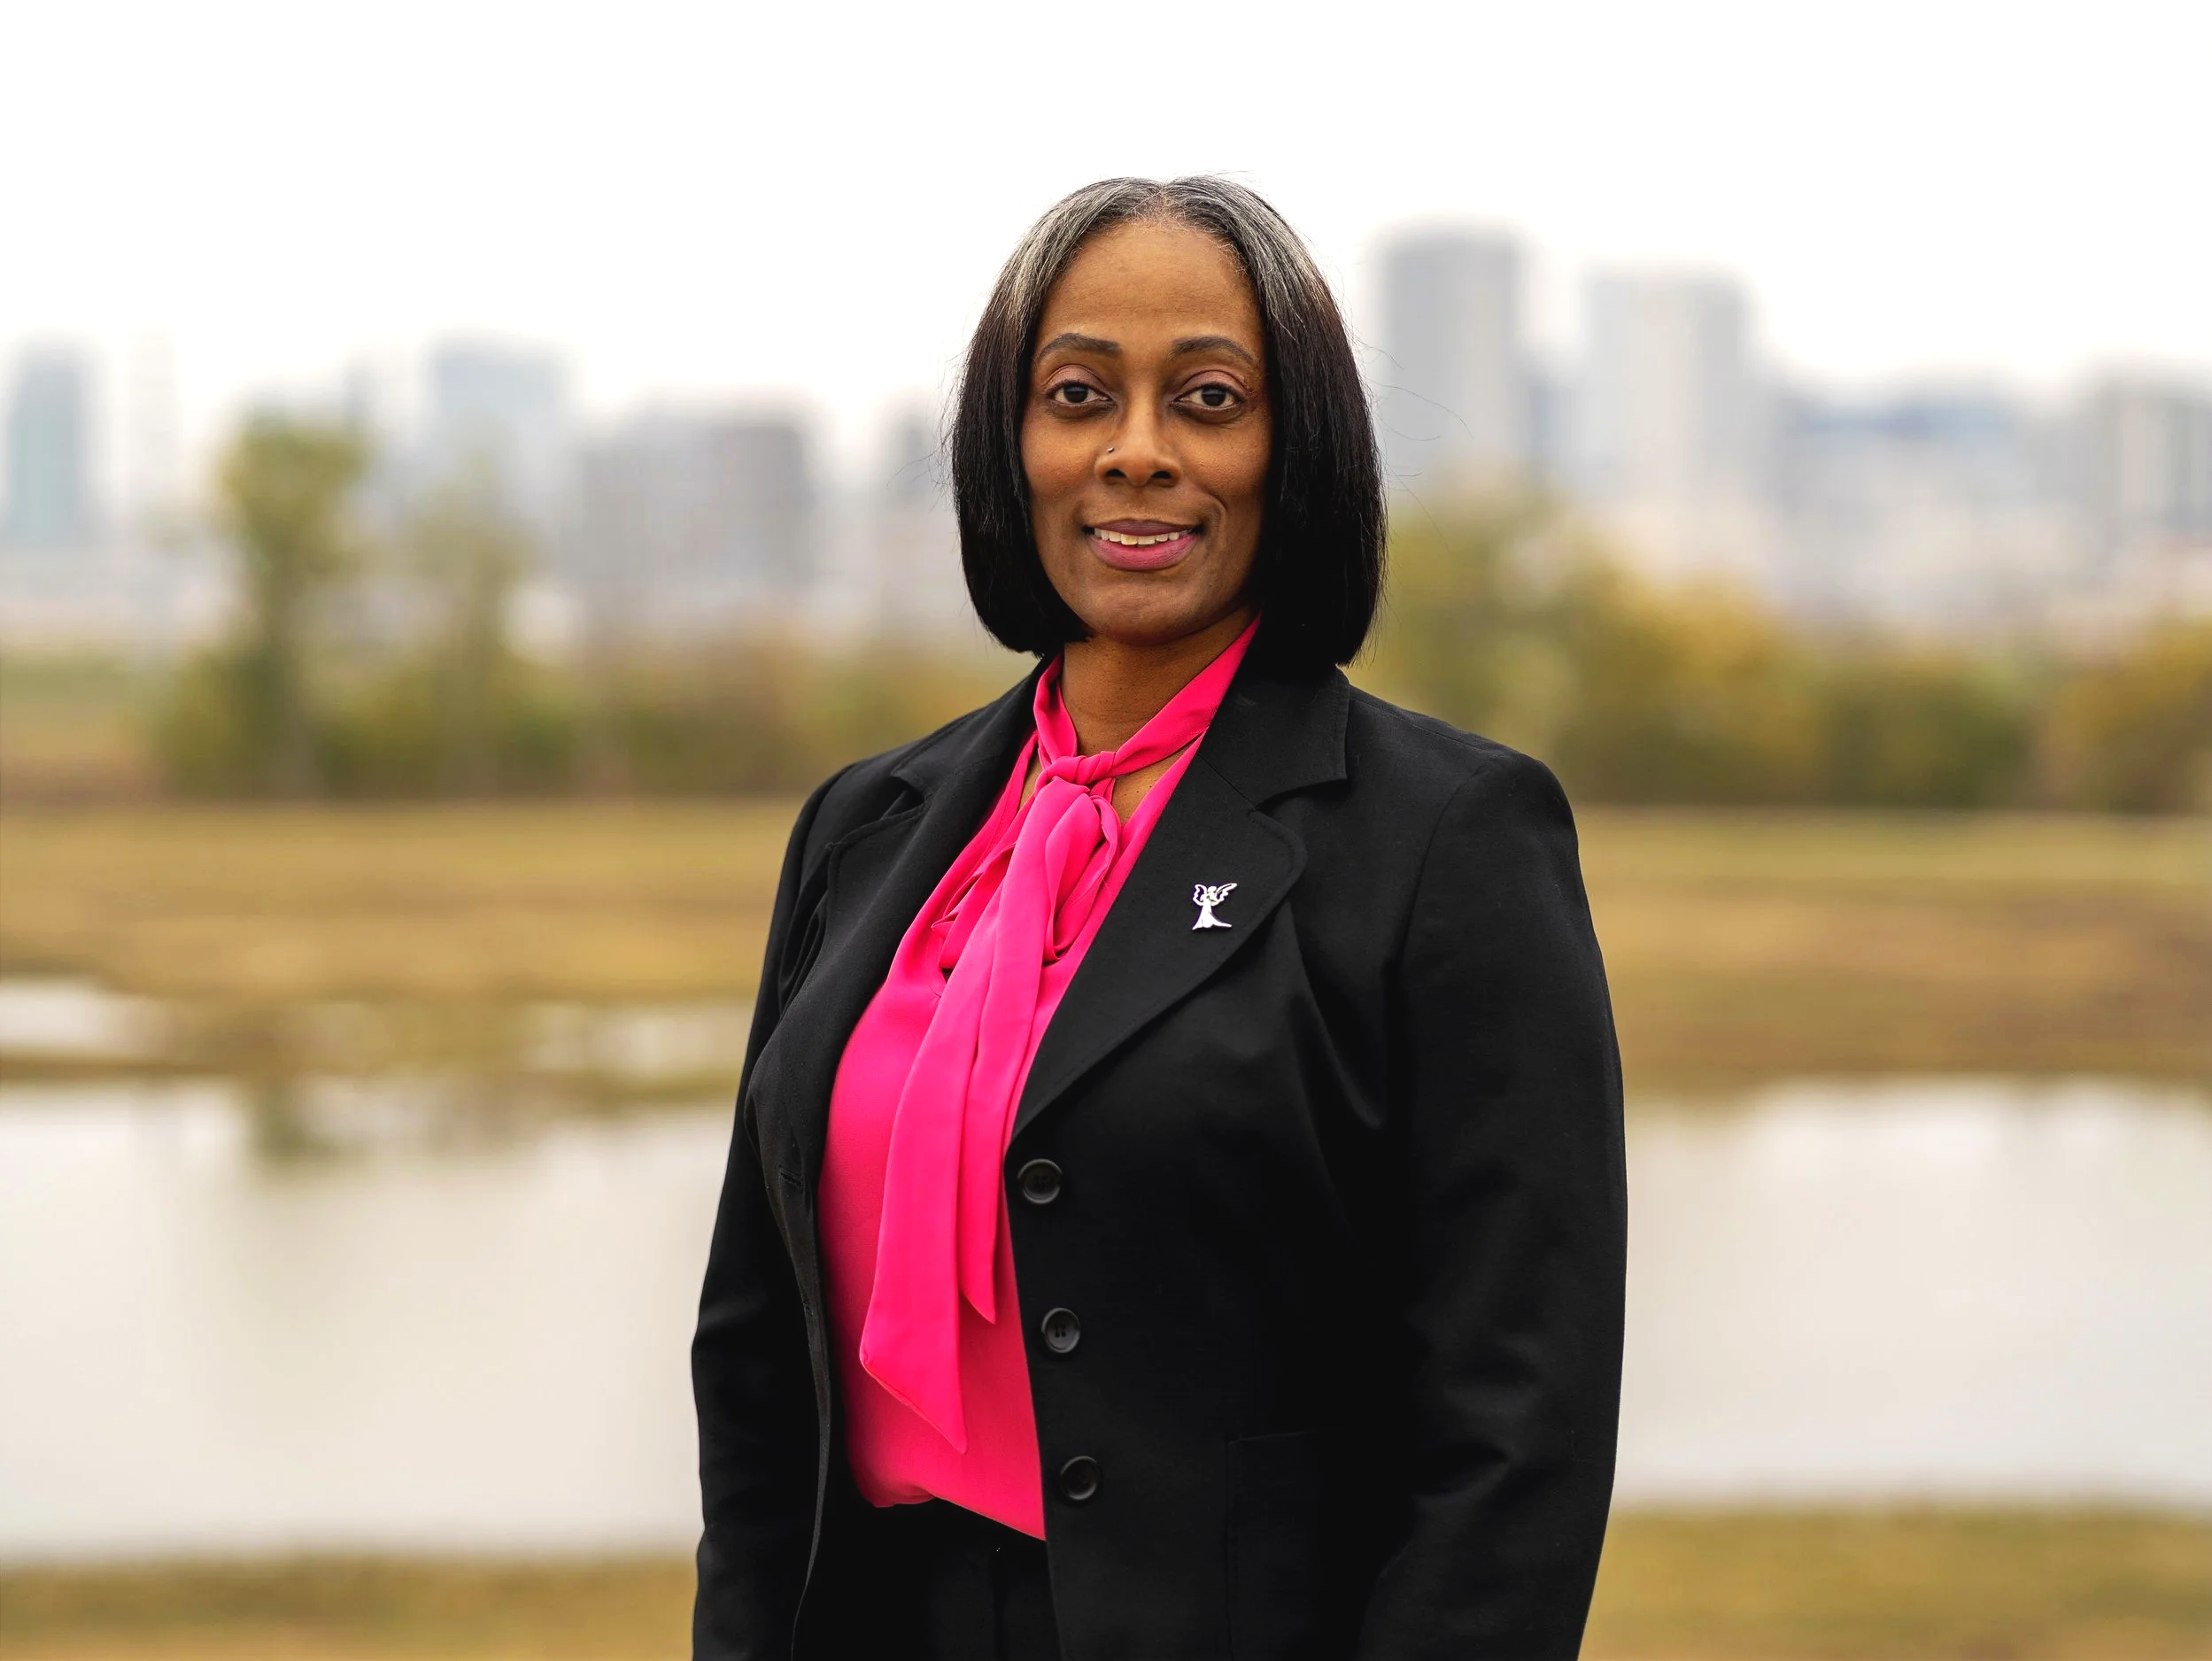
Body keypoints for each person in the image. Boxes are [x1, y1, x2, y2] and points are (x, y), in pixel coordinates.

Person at [692, 175, 1625, 1661]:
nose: (1137, 453)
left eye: (1206, 397)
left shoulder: (1447, 839)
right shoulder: (863, 831)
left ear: (1293, 444)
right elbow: (752, 1350)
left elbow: (1516, 1438)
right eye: (1078, 396)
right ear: (1012, 447)